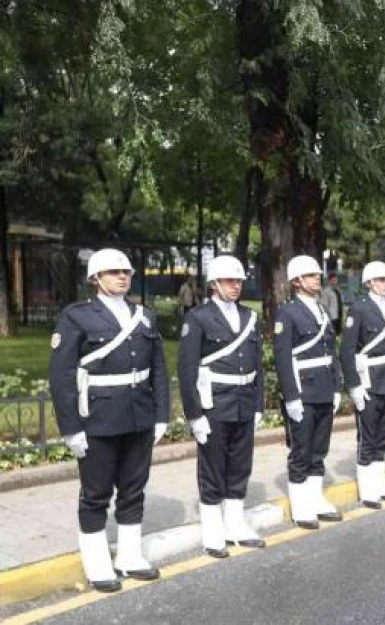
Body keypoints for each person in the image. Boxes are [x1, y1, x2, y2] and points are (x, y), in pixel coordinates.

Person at [48, 248, 170, 592]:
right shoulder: (77, 317)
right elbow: (62, 377)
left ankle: (129, 556)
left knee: (133, 490)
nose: (122, 277)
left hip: (138, 417)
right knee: (96, 493)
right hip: (97, 419)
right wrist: (70, 427)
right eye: (114, 272)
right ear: (96, 278)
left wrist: (161, 415)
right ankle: (98, 561)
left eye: (126, 272)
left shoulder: (144, 316)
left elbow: (158, 369)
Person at [177, 255, 266, 558]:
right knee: (213, 466)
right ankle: (213, 529)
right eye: (230, 281)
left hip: (243, 401)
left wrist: (258, 405)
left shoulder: (249, 317)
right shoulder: (199, 318)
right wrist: (194, 415)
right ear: (214, 284)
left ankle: (236, 523)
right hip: (214, 402)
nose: (236, 286)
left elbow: (257, 366)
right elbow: (187, 368)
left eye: (239, 281)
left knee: (240, 465)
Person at [274, 255, 343, 529]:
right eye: (312, 275)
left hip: (324, 388)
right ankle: (301, 505)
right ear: (297, 281)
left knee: (319, 449)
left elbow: (331, 351)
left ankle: (315, 499)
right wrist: (291, 396)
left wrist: (337, 386)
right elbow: (282, 358)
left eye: (318, 274)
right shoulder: (287, 313)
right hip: (304, 390)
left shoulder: (322, 309)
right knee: (301, 450)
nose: (318, 278)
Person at [340, 261, 385, 508]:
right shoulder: (359, 308)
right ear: (369, 283)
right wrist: (354, 385)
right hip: (368, 378)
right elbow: (347, 350)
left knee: (383, 433)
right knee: (368, 434)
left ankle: (379, 481)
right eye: (380, 280)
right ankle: (368, 487)